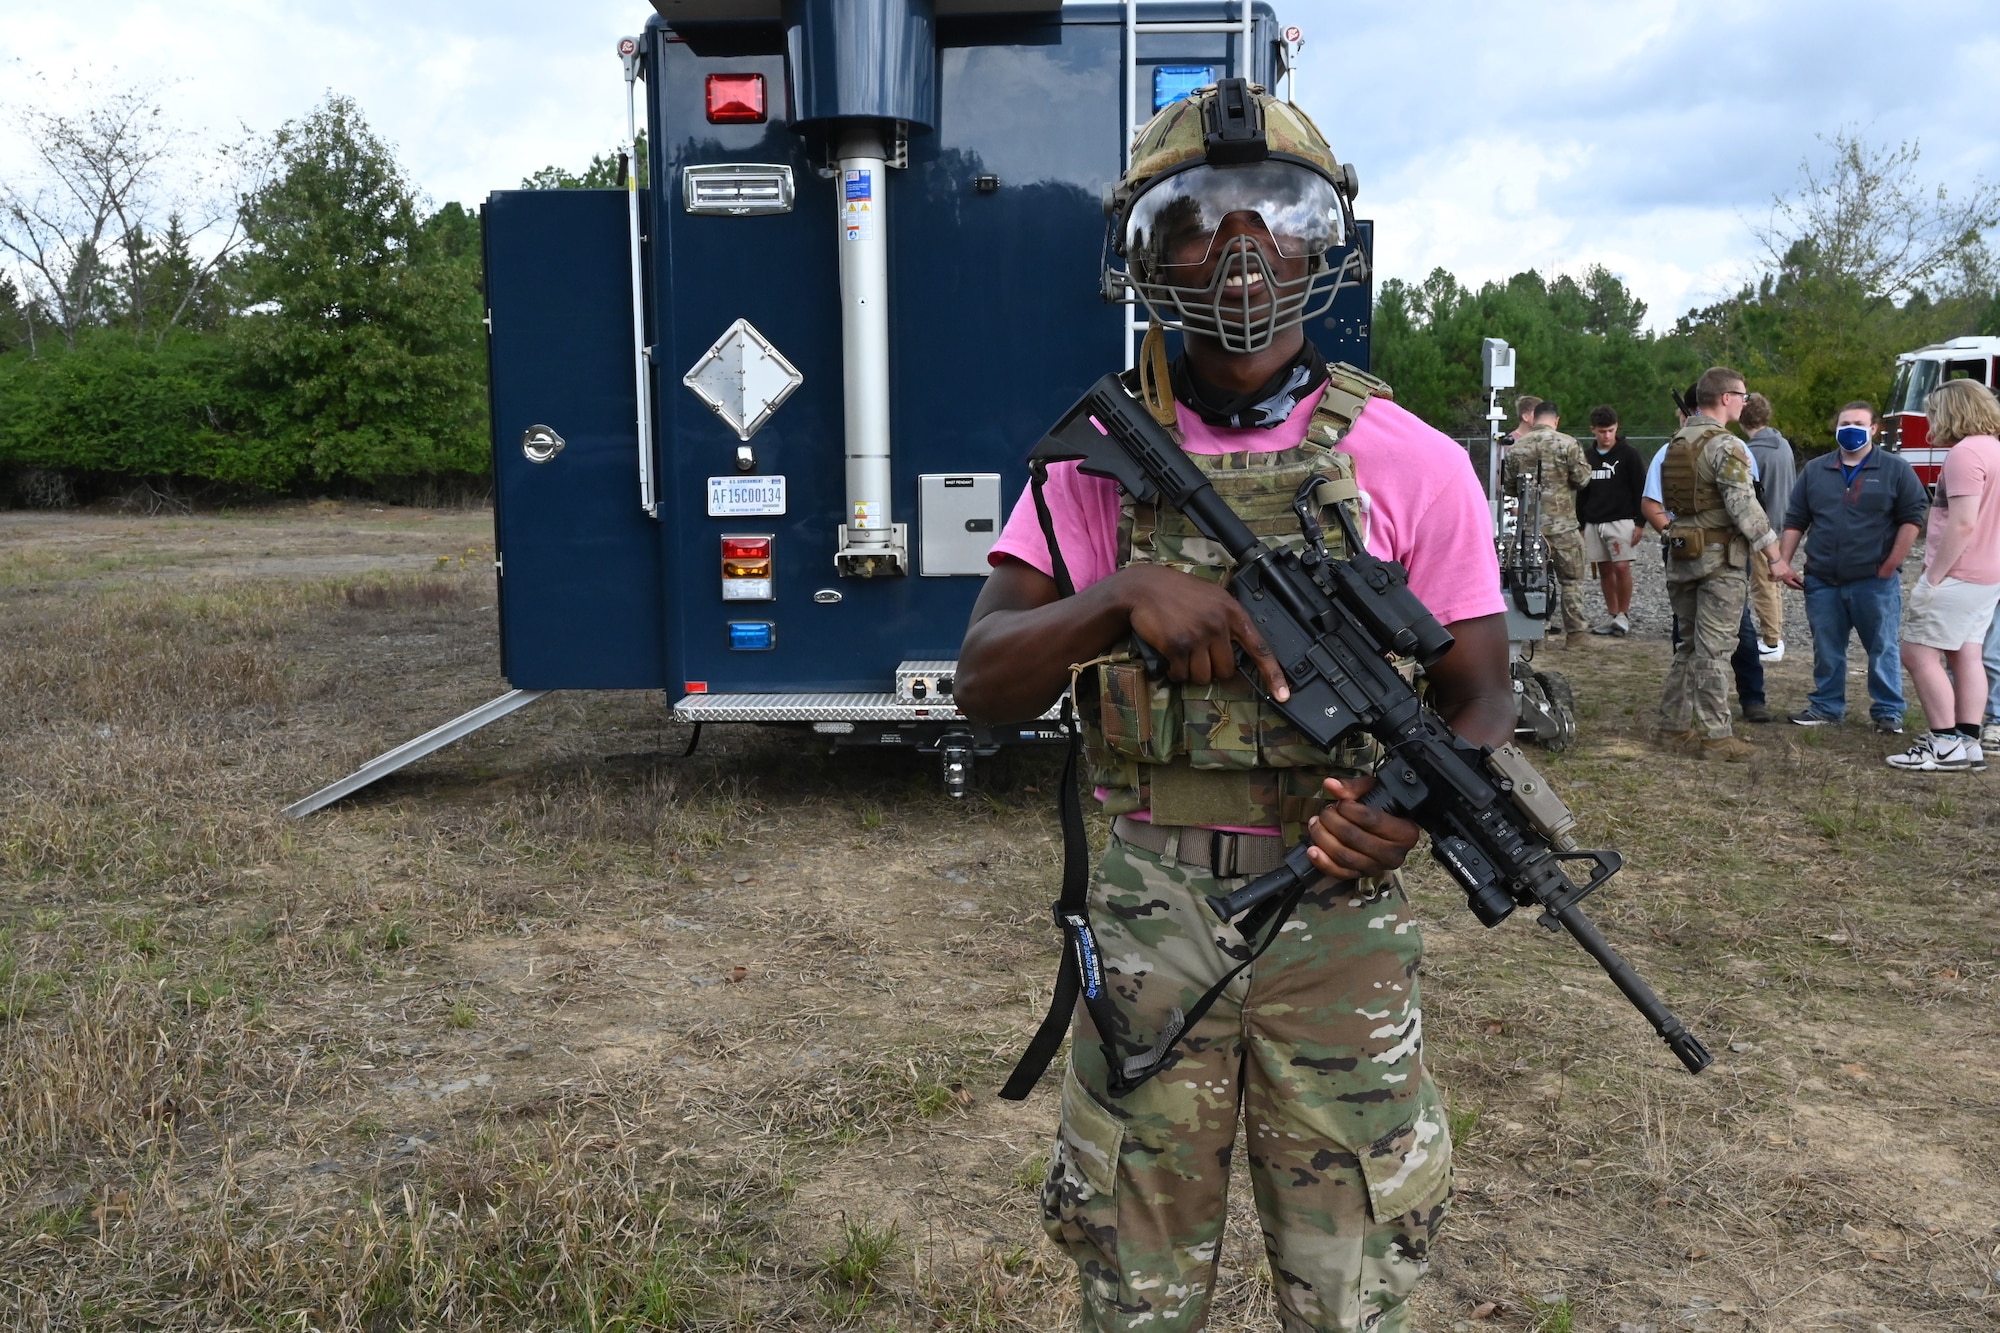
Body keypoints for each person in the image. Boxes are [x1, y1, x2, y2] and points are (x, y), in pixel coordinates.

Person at [955, 81, 1511, 1333]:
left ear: (1324, 243)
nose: (1243, 247)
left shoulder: (1412, 461)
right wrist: (1115, 598)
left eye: (1278, 211)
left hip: (1339, 927)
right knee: (1134, 1286)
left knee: (1351, 1280)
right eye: (1201, 215)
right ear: (1148, 253)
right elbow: (982, 677)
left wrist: (1405, 811)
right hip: (1153, 912)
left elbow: (1478, 695)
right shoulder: (1091, 469)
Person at [1643, 368, 1791, 759]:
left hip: (1682, 553)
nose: (1745, 401)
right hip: (1719, 559)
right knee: (1714, 650)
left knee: (1688, 646)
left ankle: (1672, 727)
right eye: (1741, 394)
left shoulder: (1677, 441)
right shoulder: (1727, 446)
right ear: (1725, 398)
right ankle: (1717, 737)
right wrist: (1775, 558)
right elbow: (1743, 506)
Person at [1774, 401, 1926, 733]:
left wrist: (1891, 565)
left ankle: (1888, 711)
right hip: (1823, 580)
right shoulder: (1815, 470)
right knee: (1827, 647)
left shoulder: (1895, 469)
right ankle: (1827, 706)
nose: (1850, 428)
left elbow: (1913, 516)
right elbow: (1796, 518)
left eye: (1858, 422)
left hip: (1874, 580)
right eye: (1844, 423)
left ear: (1874, 429)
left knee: (1882, 646)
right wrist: (1783, 561)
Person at [1885, 379, 2000, 772]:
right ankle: (1968, 742)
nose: (1928, 418)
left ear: (1952, 411)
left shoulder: (1965, 455)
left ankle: (1944, 742)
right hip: (1988, 574)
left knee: (1916, 653)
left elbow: (1963, 524)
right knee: (1965, 652)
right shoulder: (1995, 450)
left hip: (1958, 574)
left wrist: (1933, 577)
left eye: (1933, 410)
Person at [1503, 400, 1591, 640]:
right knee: (1572, 581)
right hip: (1564, 526)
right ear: (1556, 420)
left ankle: (1535, 633)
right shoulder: (1568, 444)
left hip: (1530, 530)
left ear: (1534, 418)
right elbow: (1583, 480)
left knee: (1533, 581)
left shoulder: (1518, 447)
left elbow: (1509, 488)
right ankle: (1576, 635)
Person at [1576, 405, 1644, 635]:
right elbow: (1582, 491)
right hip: (1594, 521)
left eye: (1611, 430)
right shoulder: (1587, 455)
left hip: (1621, 519)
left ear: (1617, 428)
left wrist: (1640, 523)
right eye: (1602, 431)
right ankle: (1612, 615)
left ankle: (1624, 614)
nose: (1607, 436)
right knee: (1604, 569)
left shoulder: (1629, 454)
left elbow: (1640, 489)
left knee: (1622, 566)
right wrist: (1582, 523)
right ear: (1593, 430)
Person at [1739, 393, 1795, 662]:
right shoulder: (1782, 444)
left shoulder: (1752, 451)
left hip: (1763, 528)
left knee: (1763, 584)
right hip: (1784, 522)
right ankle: (1774, 636)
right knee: (1773, 583)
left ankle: (1772, 641)